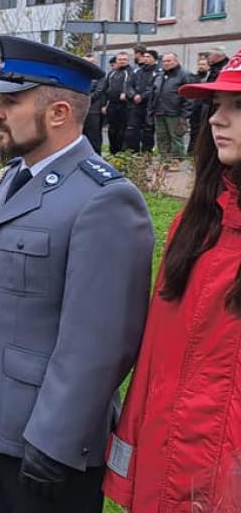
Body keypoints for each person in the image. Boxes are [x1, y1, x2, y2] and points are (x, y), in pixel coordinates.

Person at [0, 36, 154, 512]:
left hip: (42, 435)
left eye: (10, 102)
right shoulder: (12, 178)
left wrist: (56, 437)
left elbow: (100, 341)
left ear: (58, 113)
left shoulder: (105, 199)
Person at [103, 48, 241, 513]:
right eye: (215, 107)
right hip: (165, 468)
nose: (217, 120)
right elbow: (155, 355)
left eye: (237, 107)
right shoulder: (197, 222)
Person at [151, 53, 197, 158]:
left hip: (175, 113)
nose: (166, 63)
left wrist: (185, 115)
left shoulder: (185, 75)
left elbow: (189, 96)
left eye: (169, 61)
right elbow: (154, 92)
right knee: (161, 137)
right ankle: (165, 159)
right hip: (160, 111)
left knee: (176, 138)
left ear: (176, 61)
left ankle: (177, 161)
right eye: (164, 61)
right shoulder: (160, 75)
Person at [127, 50, 161, 153]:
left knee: (148, 131)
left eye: (148, 57)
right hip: (136, 105)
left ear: (154, 59)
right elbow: (129, 85)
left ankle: (147, 153)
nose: (146, 59)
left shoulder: (158, 72)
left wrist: (142, 96)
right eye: (145, 56)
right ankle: (134, 153)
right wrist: (133, 95)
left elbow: (154, 88)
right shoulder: (138, 71)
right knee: (133, 130)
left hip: (149, 105)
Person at [102, 52, 134, 154]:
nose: (122, 61)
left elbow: (134, 87)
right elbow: (105, 89)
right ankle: (113, 152)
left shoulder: (131, 72)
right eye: (120, 59)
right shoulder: (111, 73)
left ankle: (121, 152)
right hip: (112, 104)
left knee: (122, 130)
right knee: (112, 130)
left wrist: (127, 94)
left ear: (128, 60)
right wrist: (104, 104)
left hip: (125, 105)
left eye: (124, 59)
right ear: (116, 61)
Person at [84, 56, 105, 153]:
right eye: (87, 61)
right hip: (80, 110)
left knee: (94, 137)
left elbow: (99, 91)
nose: (89, 63)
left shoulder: (99, 76)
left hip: (93, 110)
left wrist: (86, 99)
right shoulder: (79, 75)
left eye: (92, 61)